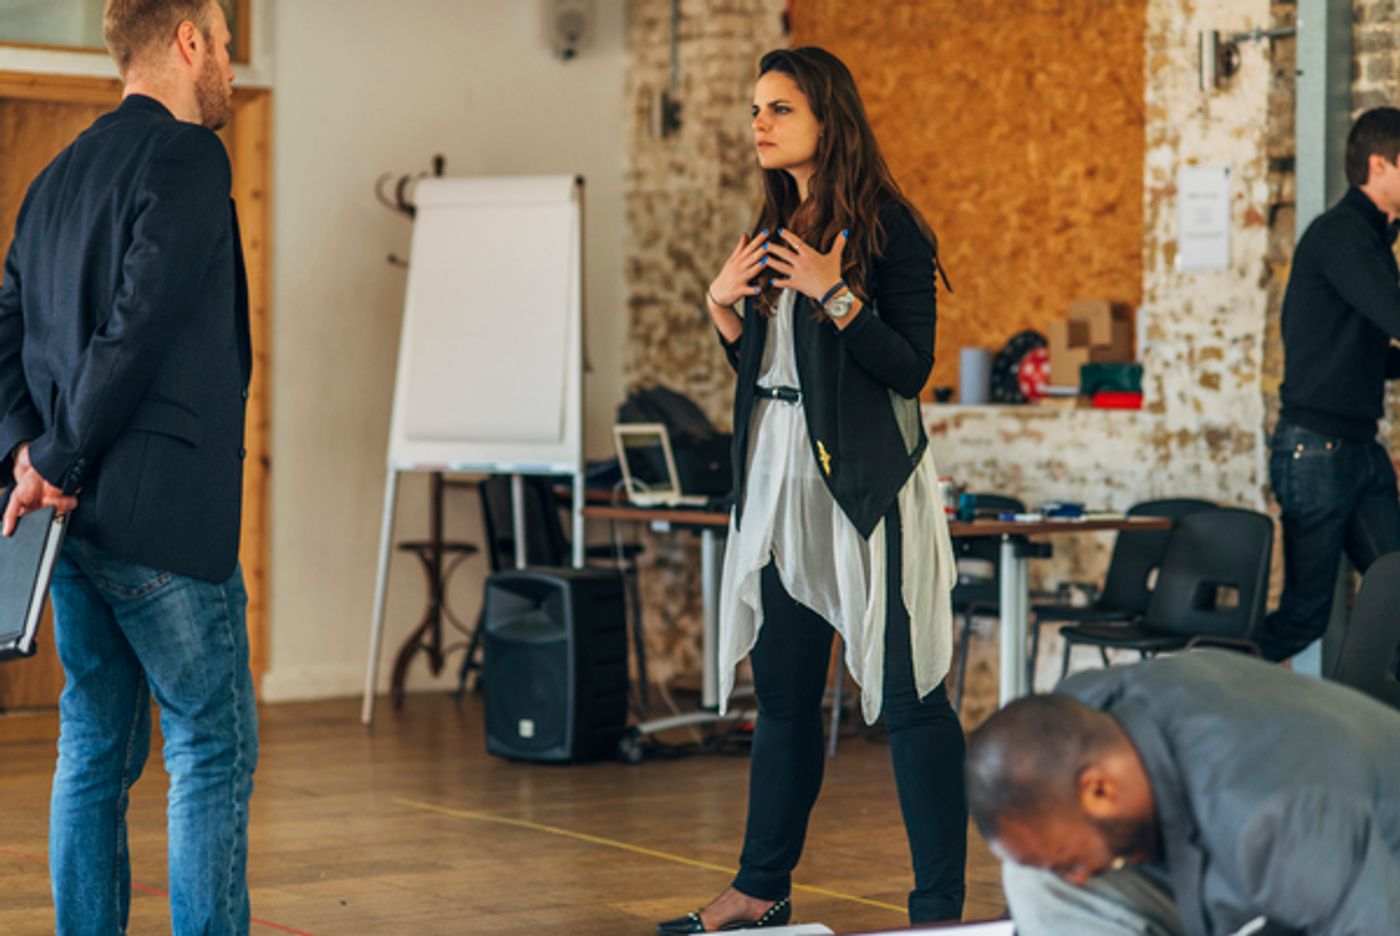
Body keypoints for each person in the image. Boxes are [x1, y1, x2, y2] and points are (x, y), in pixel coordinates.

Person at [657, 47, 965, 933]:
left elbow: (907, 370)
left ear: (828, 119)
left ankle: (938, 912)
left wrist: (837, 297)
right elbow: (777, 379)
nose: (759, 123)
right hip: (780, 484)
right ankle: (760, 891)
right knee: (785, 697)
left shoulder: (891, 231)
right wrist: (726, 314)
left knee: (910, 700)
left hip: (869, 490)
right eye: (757, 108)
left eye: (780, 108)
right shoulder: (772, 229)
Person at [0, 1, 256, 932]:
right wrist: (56, 457)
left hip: (73, 530)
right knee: (209, 748)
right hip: (163, 525)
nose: (229, 62)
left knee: (94, 746)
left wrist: (27, 459)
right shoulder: (190, 156)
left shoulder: (54, 178)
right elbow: (137, 327)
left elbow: (4, 340)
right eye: (225, 44)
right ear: (188, 41)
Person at [966, 650, 1400, 936]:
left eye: (1072, 863)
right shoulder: (1085, 710)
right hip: (1241, 849)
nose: (1076, 877)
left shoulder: (1272, 817)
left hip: (1369, 880)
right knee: (1035, 880)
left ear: (1098, 788)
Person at [1262, 106, 1400, 663]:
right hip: (1316, 450)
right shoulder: (1343, 236)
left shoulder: (1369, 240)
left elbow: (1359, 354)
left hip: (1357, 449)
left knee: (1395, 592)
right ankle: (1200, 700)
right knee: (1304, 617)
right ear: (1378, 165)